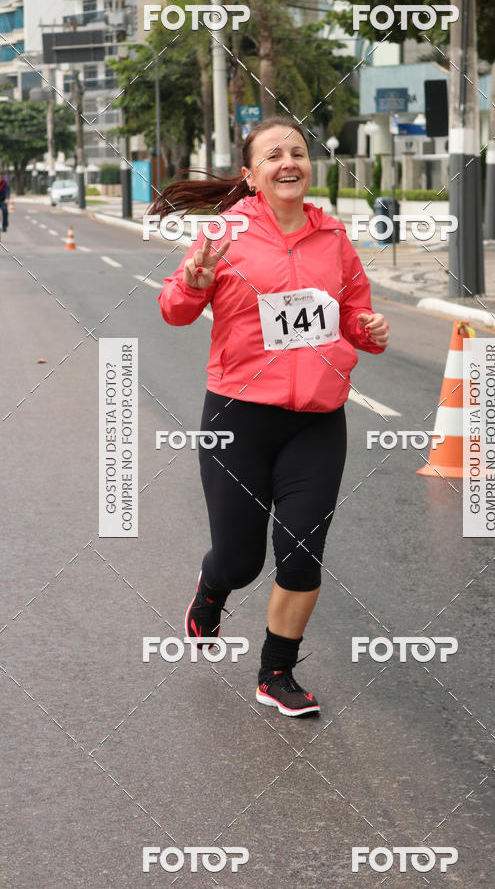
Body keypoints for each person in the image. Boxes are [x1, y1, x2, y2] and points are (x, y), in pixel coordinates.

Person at [152, 115, 389, 717]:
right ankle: (211, 592)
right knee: (239, 558)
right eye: (274, 155)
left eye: (298, 153)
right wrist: (192, 283)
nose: (289, 162)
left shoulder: (333, 237)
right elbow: (175, 311)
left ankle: (276, 672)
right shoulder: (224, 233)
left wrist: (370, 329)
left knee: (302, 549)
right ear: (252, 175)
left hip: (317, 419)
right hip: (239, 416)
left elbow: (355, 317)